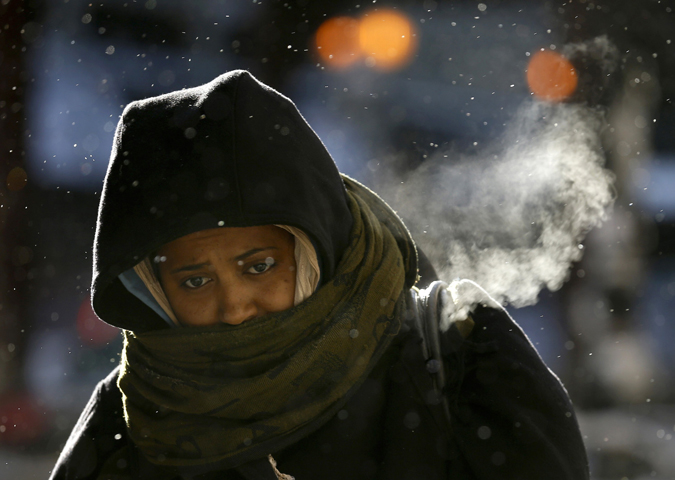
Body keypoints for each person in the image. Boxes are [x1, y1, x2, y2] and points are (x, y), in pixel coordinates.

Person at [49, 70, 589, 480]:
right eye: (194, 281)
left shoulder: (461, 365)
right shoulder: (133, 422)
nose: (235, 306)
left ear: (313, 252)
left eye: (258, 267)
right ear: (151, 291)